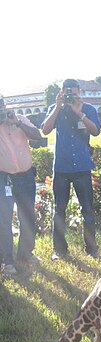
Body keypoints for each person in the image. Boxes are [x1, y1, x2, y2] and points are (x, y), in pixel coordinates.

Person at [42, 79, 101, 260]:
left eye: (74, 93)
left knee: (87, 210)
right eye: (67, 93)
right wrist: (58, 106)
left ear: (79, 92)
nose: (71, 96)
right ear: (62, 92)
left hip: (82, 166)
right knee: (59, 210)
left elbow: (96, 131)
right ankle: (59, 250)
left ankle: (91, 249)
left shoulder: (88, 108)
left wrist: (79, 113)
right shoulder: (56, 108)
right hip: (62, 168)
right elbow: (45, 130)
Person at [0, 95, 43, 275]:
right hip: (4, 179)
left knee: (28, 217)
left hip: (25, 177)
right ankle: (7, 261)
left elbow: (37, 137)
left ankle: (25, 255)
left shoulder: (20, 119)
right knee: (4, 220)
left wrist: (17, 123)